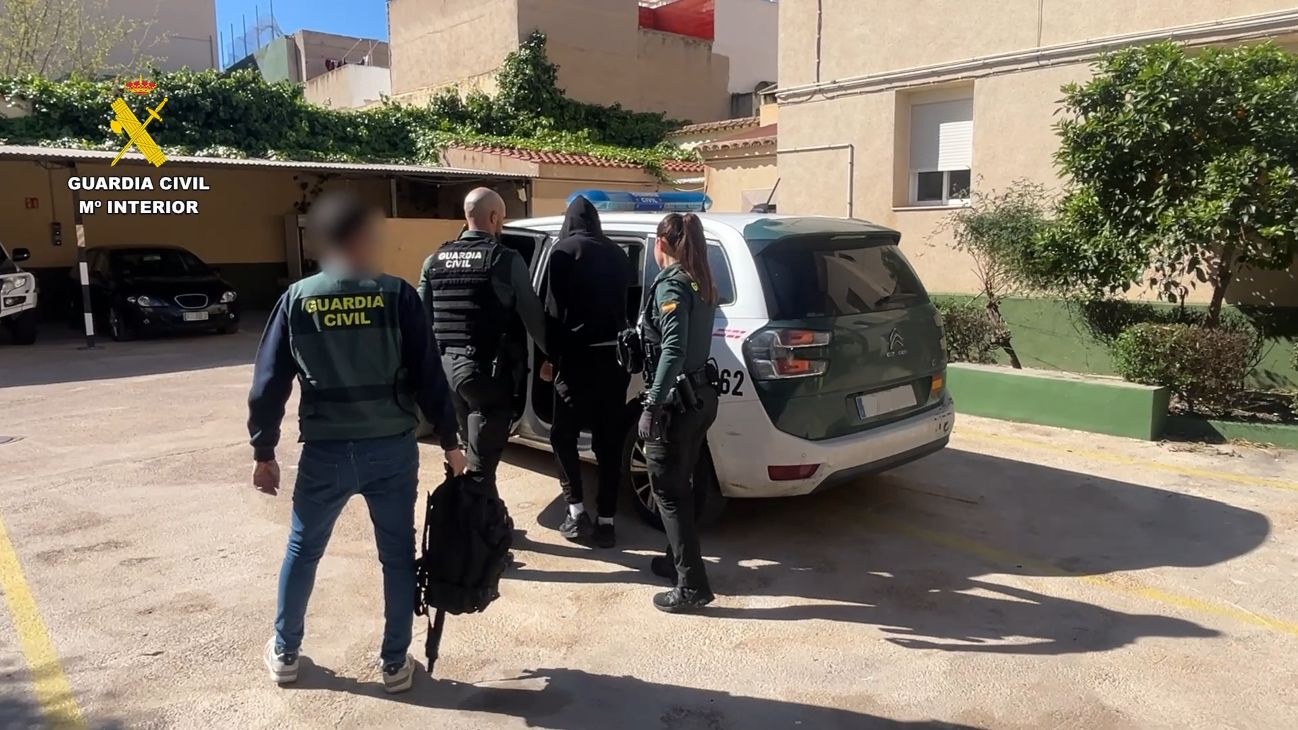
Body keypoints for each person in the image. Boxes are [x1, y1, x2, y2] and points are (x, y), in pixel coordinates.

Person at [247, 190, 465, 694]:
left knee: (303, 549)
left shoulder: (298, 298)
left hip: (325, 450)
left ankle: (286, 653)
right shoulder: (397, 295)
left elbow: (268, 384)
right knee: (397, 555)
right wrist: (451, 441)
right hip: (391, 448)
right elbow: (430, 376)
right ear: (363, 238)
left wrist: (264, 451)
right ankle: (394, 664)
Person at [418, 187, 547, 482]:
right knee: (482, 466)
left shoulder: (434, 259)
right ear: (493, 217)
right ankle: (474, 506)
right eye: (502, 218)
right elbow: (533, 317)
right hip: (483, 374)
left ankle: (471, 501)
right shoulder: (505, 259)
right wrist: (553, 355)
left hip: (445, 372)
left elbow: (420, 320)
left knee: (468, 451)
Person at [638, 213, 720, 614]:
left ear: (661, 244)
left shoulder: (673, 284)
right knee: (682, 483)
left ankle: (692, 585)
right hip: (700, 397)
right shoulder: (700, 281)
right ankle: (677, 560)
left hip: (676, 404)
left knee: (668, 492)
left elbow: (672, 349)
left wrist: (652, 403)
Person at [542, 196, 635, 548]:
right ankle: (607, 521)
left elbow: (553, 312)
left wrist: (550, 358)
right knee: (608, 443)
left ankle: (576, 511)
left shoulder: (564, 251)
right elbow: (628, 307)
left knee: (562, 436)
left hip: (576, 362)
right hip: (614, 362)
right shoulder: (618, 254)